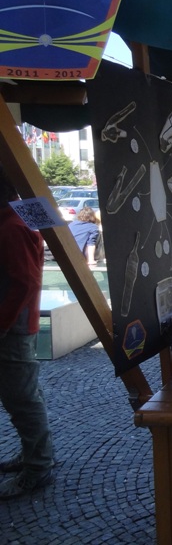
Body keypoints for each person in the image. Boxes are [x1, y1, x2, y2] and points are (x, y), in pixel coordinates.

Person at [0, 166, 55, 500]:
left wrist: (3, 325)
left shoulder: (11, 226)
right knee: (26, 395)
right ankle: (36, 457)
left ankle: (38, 467)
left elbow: (25, 282)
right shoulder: (21, 217)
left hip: (13, 329)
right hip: (19, 325)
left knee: (22, 399)